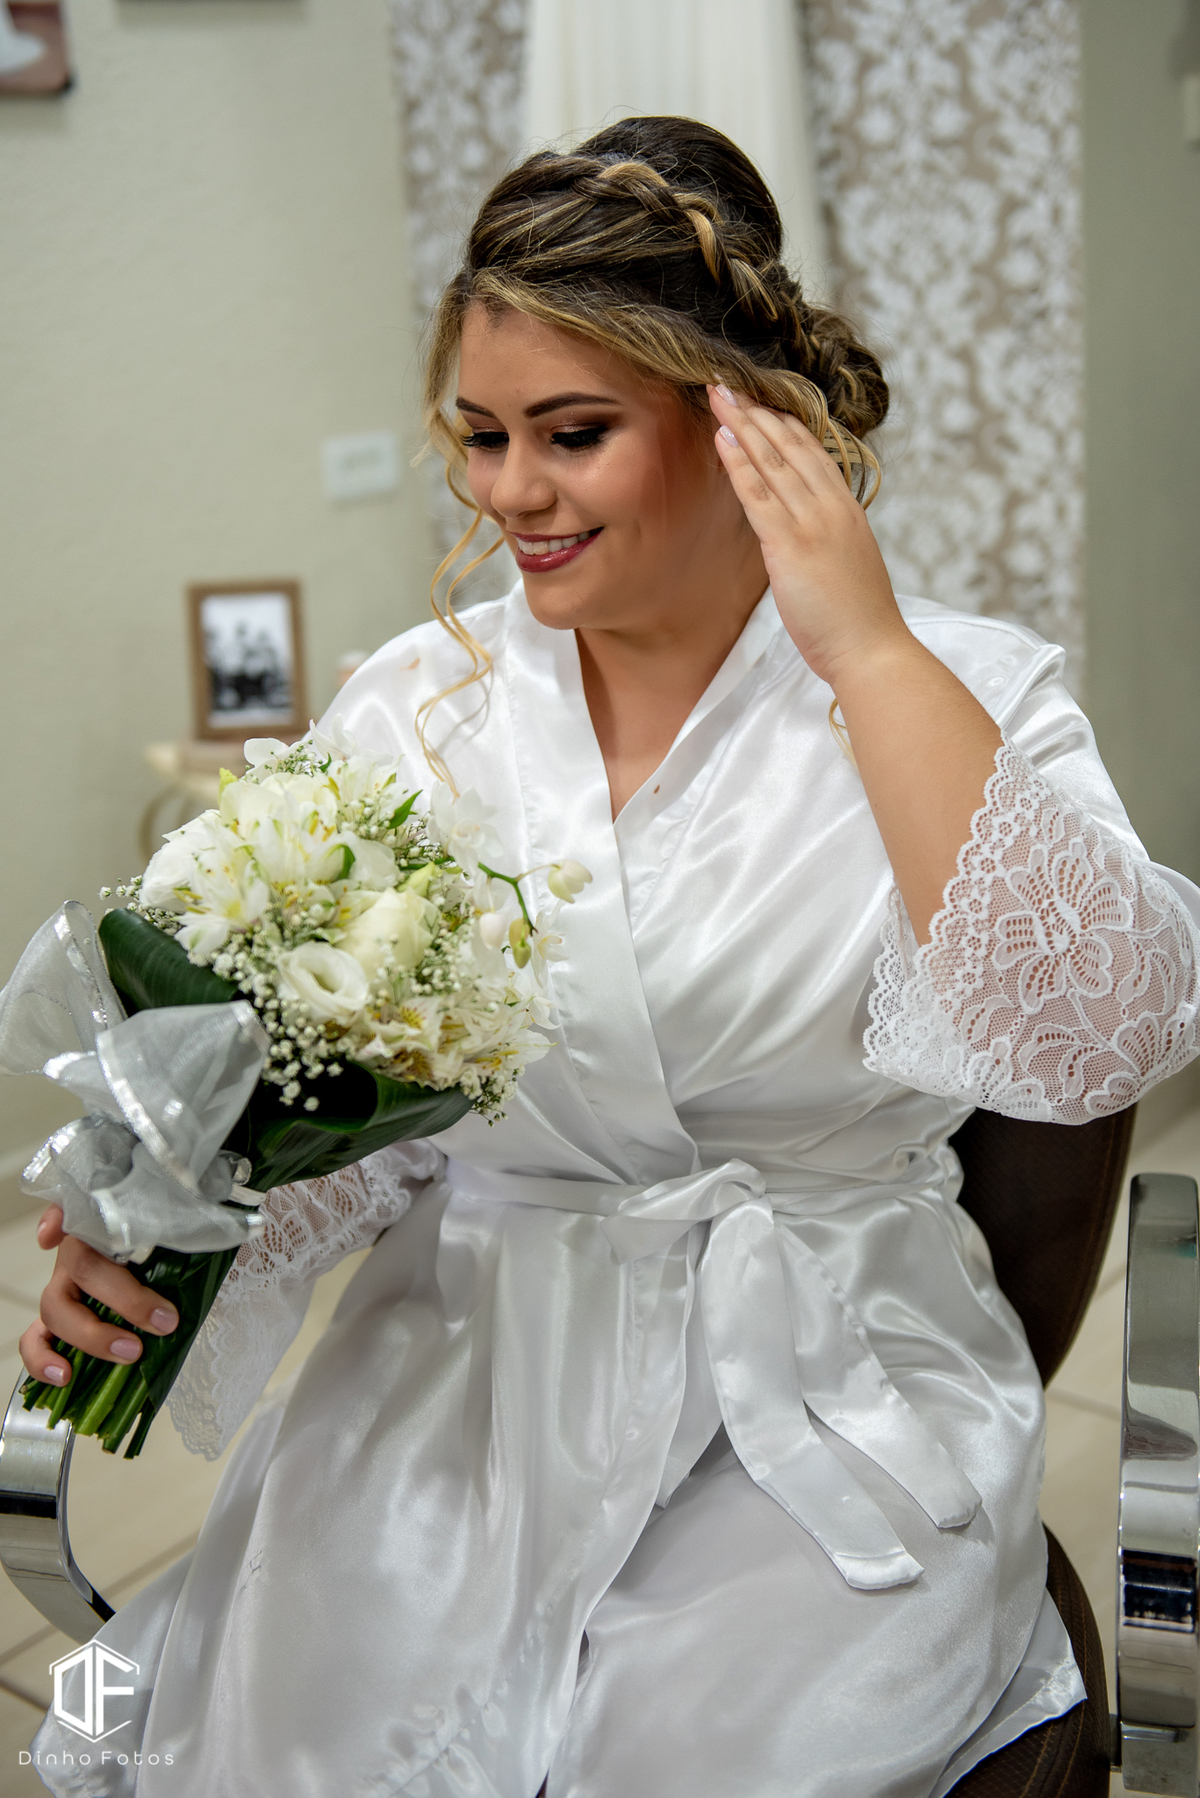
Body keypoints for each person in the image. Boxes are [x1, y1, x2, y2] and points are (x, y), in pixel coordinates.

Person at [21, 116, 1200, 1797]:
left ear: (739, 419)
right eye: (482, 436)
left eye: (573, 434)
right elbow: (324, 1105)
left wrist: (865, 648)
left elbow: (1092, 1035)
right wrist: (156, 1224)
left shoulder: (960, 690)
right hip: (465, 1376)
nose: (511, 492)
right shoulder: (421, 711)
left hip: (818, 1380)